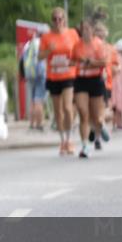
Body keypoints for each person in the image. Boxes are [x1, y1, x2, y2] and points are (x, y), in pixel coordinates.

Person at [39, 8, 79, 156]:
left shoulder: (72, 33)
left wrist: (76, 61)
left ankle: (69, 139)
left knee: (68, 108)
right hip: (53, 76)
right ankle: (62, 141)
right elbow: (39, 56)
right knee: (58, 111)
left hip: (69, 75)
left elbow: (79, 51)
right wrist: (48, 50)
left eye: (60, 19)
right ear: (52, 21)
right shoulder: (46, 37)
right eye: (55, 19)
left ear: (64, 20)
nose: (58, 22)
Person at [71, 18, 108, 158]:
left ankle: (100, 126)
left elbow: (104, 62)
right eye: (83, 28)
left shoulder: (98, 44)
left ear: (92, 30)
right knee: (83, 113)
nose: (85, 31)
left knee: (97, 117)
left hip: (95, 80)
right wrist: (75, 62)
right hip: (81, 80)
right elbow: (72, 60)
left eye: (88, 28)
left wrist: (91, 62)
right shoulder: (77, 45)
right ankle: (85, 146)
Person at [20, 31, 47, 131]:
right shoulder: (42, 44)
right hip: (40, 73)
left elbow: (22, 59)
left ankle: (31, 124)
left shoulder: (28, 44)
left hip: (29, 74)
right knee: (39, 99)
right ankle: (39, 124)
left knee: (32, 100)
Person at [95, 22, 116, 143]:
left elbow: (116, 65)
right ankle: (98, 137)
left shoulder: (110, 48)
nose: (100, 34)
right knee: (97, 110)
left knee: (104, 110)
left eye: (102, 31)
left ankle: (100, 127)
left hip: (107, 82)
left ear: (106, 33)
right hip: (94, 81)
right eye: (97, 31)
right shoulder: (91, 47)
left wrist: (116, 69)